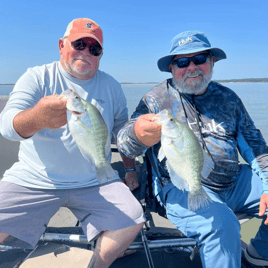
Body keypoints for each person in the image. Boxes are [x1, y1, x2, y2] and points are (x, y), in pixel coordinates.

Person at [0, 18, 144, 268]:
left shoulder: (111, 86)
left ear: (100, 54)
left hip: (95, 181)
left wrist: (131, 166)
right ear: (61, 45)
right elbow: (6, 126)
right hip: (34, 179)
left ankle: (97, 264)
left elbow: (122, 134)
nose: (86, 52)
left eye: (94, 48)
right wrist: (37, 117)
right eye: (79, 44)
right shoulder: (37, 76)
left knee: (133, 218)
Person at [117, 31, 268, 268]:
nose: (192, 67)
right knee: (221, 224)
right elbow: (124, 140)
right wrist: (137, 133)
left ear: (212, 62)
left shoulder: (229, 98)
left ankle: (259, 252)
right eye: (183, 62)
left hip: (233, 183)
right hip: (181, 186)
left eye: (199, 59)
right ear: (171, 67)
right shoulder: (155, 100)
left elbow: (256, 146)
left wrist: (267, 184)